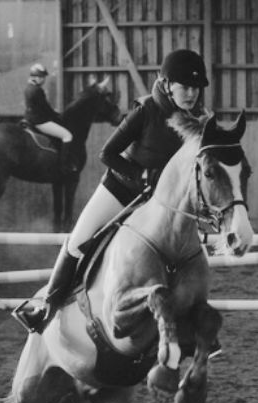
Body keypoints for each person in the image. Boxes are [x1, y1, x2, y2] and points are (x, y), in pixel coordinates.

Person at [14, 49, 211, 334]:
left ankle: (195, 320)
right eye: (186, 87)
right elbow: (107, 153)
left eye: (196, 88)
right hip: (121, 189)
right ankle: (46, 307)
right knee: (78, 240)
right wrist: (140, 176)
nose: (192, 94)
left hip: (162, 203)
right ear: (168, 84)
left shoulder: (199, 119)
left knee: (188, 253)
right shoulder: (146, 110)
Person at [24, 62, 77, 176]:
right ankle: (64, 165)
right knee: (67, 136)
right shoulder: (37, 90)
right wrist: (57, 116)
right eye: (42, 77)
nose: (43, 80)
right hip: (39, 121)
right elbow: (46, 109)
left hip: (30, 118)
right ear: (36, 77)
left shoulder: (28, 88)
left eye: (43, 77)